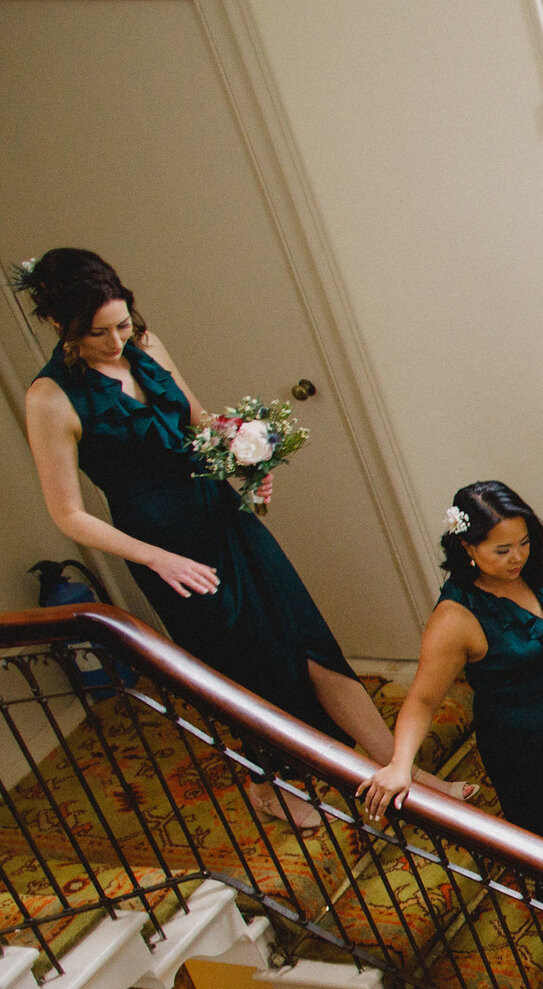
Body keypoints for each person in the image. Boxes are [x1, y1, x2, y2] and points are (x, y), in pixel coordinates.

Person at [18, 247, 465, 826]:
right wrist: (159, 561)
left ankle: (395, 763)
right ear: (58, 325)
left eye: (122, 324)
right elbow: (68, 514)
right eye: (97, 333)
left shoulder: (146, 346)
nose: (116, 342)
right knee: (245, 671)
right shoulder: (48, 398)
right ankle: (269, 786)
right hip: (167, 550)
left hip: (223, 517)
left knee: (308, 640)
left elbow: (200, 422)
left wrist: (250, 456)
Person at [359, 480, 543, 880]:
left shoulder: (527, 574)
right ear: (467, 548)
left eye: (524, 542)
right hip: (528, 747)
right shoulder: (454, 619)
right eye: (502, 550)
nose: (517, 557)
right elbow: (422, 701)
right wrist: (400, 764)